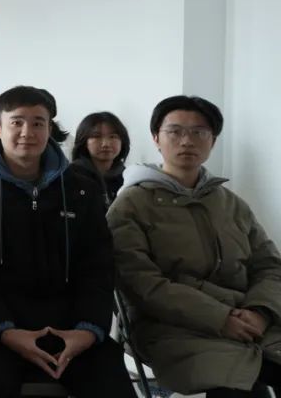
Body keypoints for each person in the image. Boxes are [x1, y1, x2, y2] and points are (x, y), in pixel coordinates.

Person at [0, 86, 135, 398]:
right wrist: (6, 331)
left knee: (111, 386)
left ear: (49, 129)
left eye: (38, 123)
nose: (27, 133)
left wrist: (86, 331)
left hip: (72, 327)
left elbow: (97, 267)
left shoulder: (80, 190)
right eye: (17, 122)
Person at [108, 96, 281, 398]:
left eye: (199, 132)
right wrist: (221, 318)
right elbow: (142, 283)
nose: (187, 141)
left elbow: (269, 265)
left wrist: (261, 311)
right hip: (171, 328)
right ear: (156, 138)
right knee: (238, 387)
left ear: (213, 141)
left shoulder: (231, 203)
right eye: (175, 131)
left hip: (250, 320)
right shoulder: (130, 206)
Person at [69, 112, 130, 207]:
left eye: (113, 136)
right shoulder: (71, 176)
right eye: (96, 136)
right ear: (84, 142)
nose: (106, 144)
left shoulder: (127, 178)